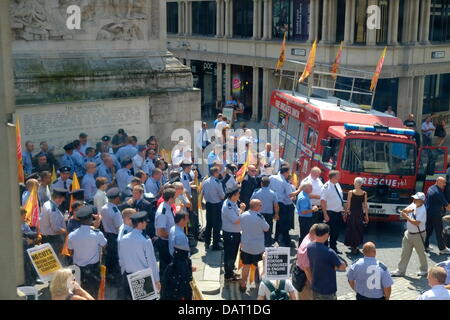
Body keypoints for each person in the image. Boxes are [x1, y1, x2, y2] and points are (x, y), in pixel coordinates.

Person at [118, 211, 160, 300]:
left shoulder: (123, 239)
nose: (146, 223)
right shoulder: (145, 240)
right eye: (144, 221)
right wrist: (156, 280)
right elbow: (152, 262)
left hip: (129, 276)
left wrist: (124, 274)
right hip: (144, 277)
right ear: (140, 223)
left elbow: (121, 259)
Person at [68, 205, 107, 297]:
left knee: (79, 293)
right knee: (92, 293)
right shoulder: (97, 234)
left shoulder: (72, 235)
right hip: (93, 270)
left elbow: (70, 251)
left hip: (78, 270)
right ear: (90, 220)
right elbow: (104, 245)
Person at [392, 192, 428, 277]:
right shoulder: (413, 204)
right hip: (408, 233)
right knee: (405, 252)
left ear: (422, 201)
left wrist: (406, 216)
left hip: (418, 235)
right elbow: (403, 211)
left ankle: (424, 270)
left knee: (420, 253)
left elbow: (416, 223)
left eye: (416, 199)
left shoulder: (423, 210)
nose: (414, 200)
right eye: (414, 198)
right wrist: (406, 211)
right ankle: (401, 271)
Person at [307, 223, 347, 300]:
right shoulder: (329, 252)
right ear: (326, 235)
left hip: (315, 286)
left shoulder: (309, 246)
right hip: (328, 290)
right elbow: (342, 267)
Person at [162, 211, 196, 300]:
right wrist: (189, 266)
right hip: (180, 266)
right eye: (186, 219)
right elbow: (183, 254)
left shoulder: (173, 228)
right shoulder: (180, 235)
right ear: (181, 220)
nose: (188, 221)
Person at [239, 199, 270, 293]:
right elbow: (267, 228)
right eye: (260, 205)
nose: (261, 207)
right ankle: (262, 285)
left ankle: (243, 284)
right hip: (258, 248)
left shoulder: (243, 215)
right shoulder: (259, 217)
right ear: (256, 207)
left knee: (246, 265)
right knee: (260, 265)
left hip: (246, 246)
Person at [270, 165, 300, 247]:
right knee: (283, 223)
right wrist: (300, 189)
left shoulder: (272, 177)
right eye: (288, 173)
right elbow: (290, 195)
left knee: (272, 221)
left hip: (271, 201)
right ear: (286, 172)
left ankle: (275, 238)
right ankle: (286, 241)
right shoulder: (284, 182)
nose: (289, 174)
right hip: (281, 204)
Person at [100, 188, 123, 284]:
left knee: (109, 258)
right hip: (114, 236)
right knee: (116, 259)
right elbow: (119, 228)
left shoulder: (104, 207)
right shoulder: (115, 211)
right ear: (116, 198)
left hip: (107, 235)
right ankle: (116, 280)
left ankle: (108, 278)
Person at [222, 187, 245, 281]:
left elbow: (237, 214)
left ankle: (230, 271)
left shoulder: (233, 203)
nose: (239, 195)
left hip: (235, 232)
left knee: (233, 254)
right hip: (230, 234)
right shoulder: (228, 206)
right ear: (233, 195)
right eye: (238, 194)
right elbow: (236, 220)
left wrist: (240, 210)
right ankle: (228, 275)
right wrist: (243, 210)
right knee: (230, 255)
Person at [320, 170, 345, 254]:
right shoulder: (326, 187)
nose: (340, 177)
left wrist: (342, 211)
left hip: (338, 213)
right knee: (327, 232)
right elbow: (323, 201)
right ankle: (325, 249)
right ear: (333, 177)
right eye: (338, 176)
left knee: (336, 232)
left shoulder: (337, 184)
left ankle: (333, 248)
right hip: (330, 213)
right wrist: (325, 214)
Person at [40, 188, 68, 260]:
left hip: (46, 238)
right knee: (55, 261)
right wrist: (66, 231)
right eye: (63, 198)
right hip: (53, 240)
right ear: (59, 198)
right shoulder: (53, 210)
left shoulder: (46, 204)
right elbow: (56, 229)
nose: (63, 200)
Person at [202, 166, 225, 250]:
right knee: (217, 226)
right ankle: (215, 245)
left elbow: (203, 193)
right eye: (218, 172)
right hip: (216, 205)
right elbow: (222, 196)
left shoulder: (205, 181)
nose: (219, 173)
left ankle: (207, 242)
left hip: (208, 204)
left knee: (209, 224)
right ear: (215, 173)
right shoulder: (218, 182)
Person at [251, 176, 279, 247]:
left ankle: (258, 244)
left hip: (258, 214)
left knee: (258, 230)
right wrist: (276, 214)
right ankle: (268, 245)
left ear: (261, 183)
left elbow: (251, 202)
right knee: (268, 230)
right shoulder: (273, 193)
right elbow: (276, 205)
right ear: (269, 184)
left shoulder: (256, 192)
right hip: (269, 215)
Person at [425, 177, 450, 255]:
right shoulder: (438, 192)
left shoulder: (431, 188)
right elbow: (447, 205)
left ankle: (425, 245)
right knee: (439, 231)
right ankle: (442, 249)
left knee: (428, 230)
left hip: (428, 212)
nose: (445, 184)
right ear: (438, 181)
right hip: (436, 214)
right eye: (443, 183)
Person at [154, 188, 176, 276]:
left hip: (168, 241)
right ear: (170, 199)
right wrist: (174, 237)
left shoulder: (167, 207)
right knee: (167, 267)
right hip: (165, 243)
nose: (175, 199)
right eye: (174, 197)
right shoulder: (163, 213)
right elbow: (160, 232)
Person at [344, 177, 369, 255]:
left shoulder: (350, 192)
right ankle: (355, 246)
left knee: (351, 228)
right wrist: (366, 216)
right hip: (360, 213)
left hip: (352, 213)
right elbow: (365, 205)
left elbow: (348, 204)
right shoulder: (364, 193)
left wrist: (345, 213)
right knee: (358, 229)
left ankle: (353, 246)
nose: (354, 184)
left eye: (355, 183)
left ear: (358, 184)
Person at [295, 224, 318, 300]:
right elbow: (306, 268)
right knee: (307, 296)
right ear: (316, 234)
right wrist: (312, 282)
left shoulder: (308, 237)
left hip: (301, 274)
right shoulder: (309, 246)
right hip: (305, 278)